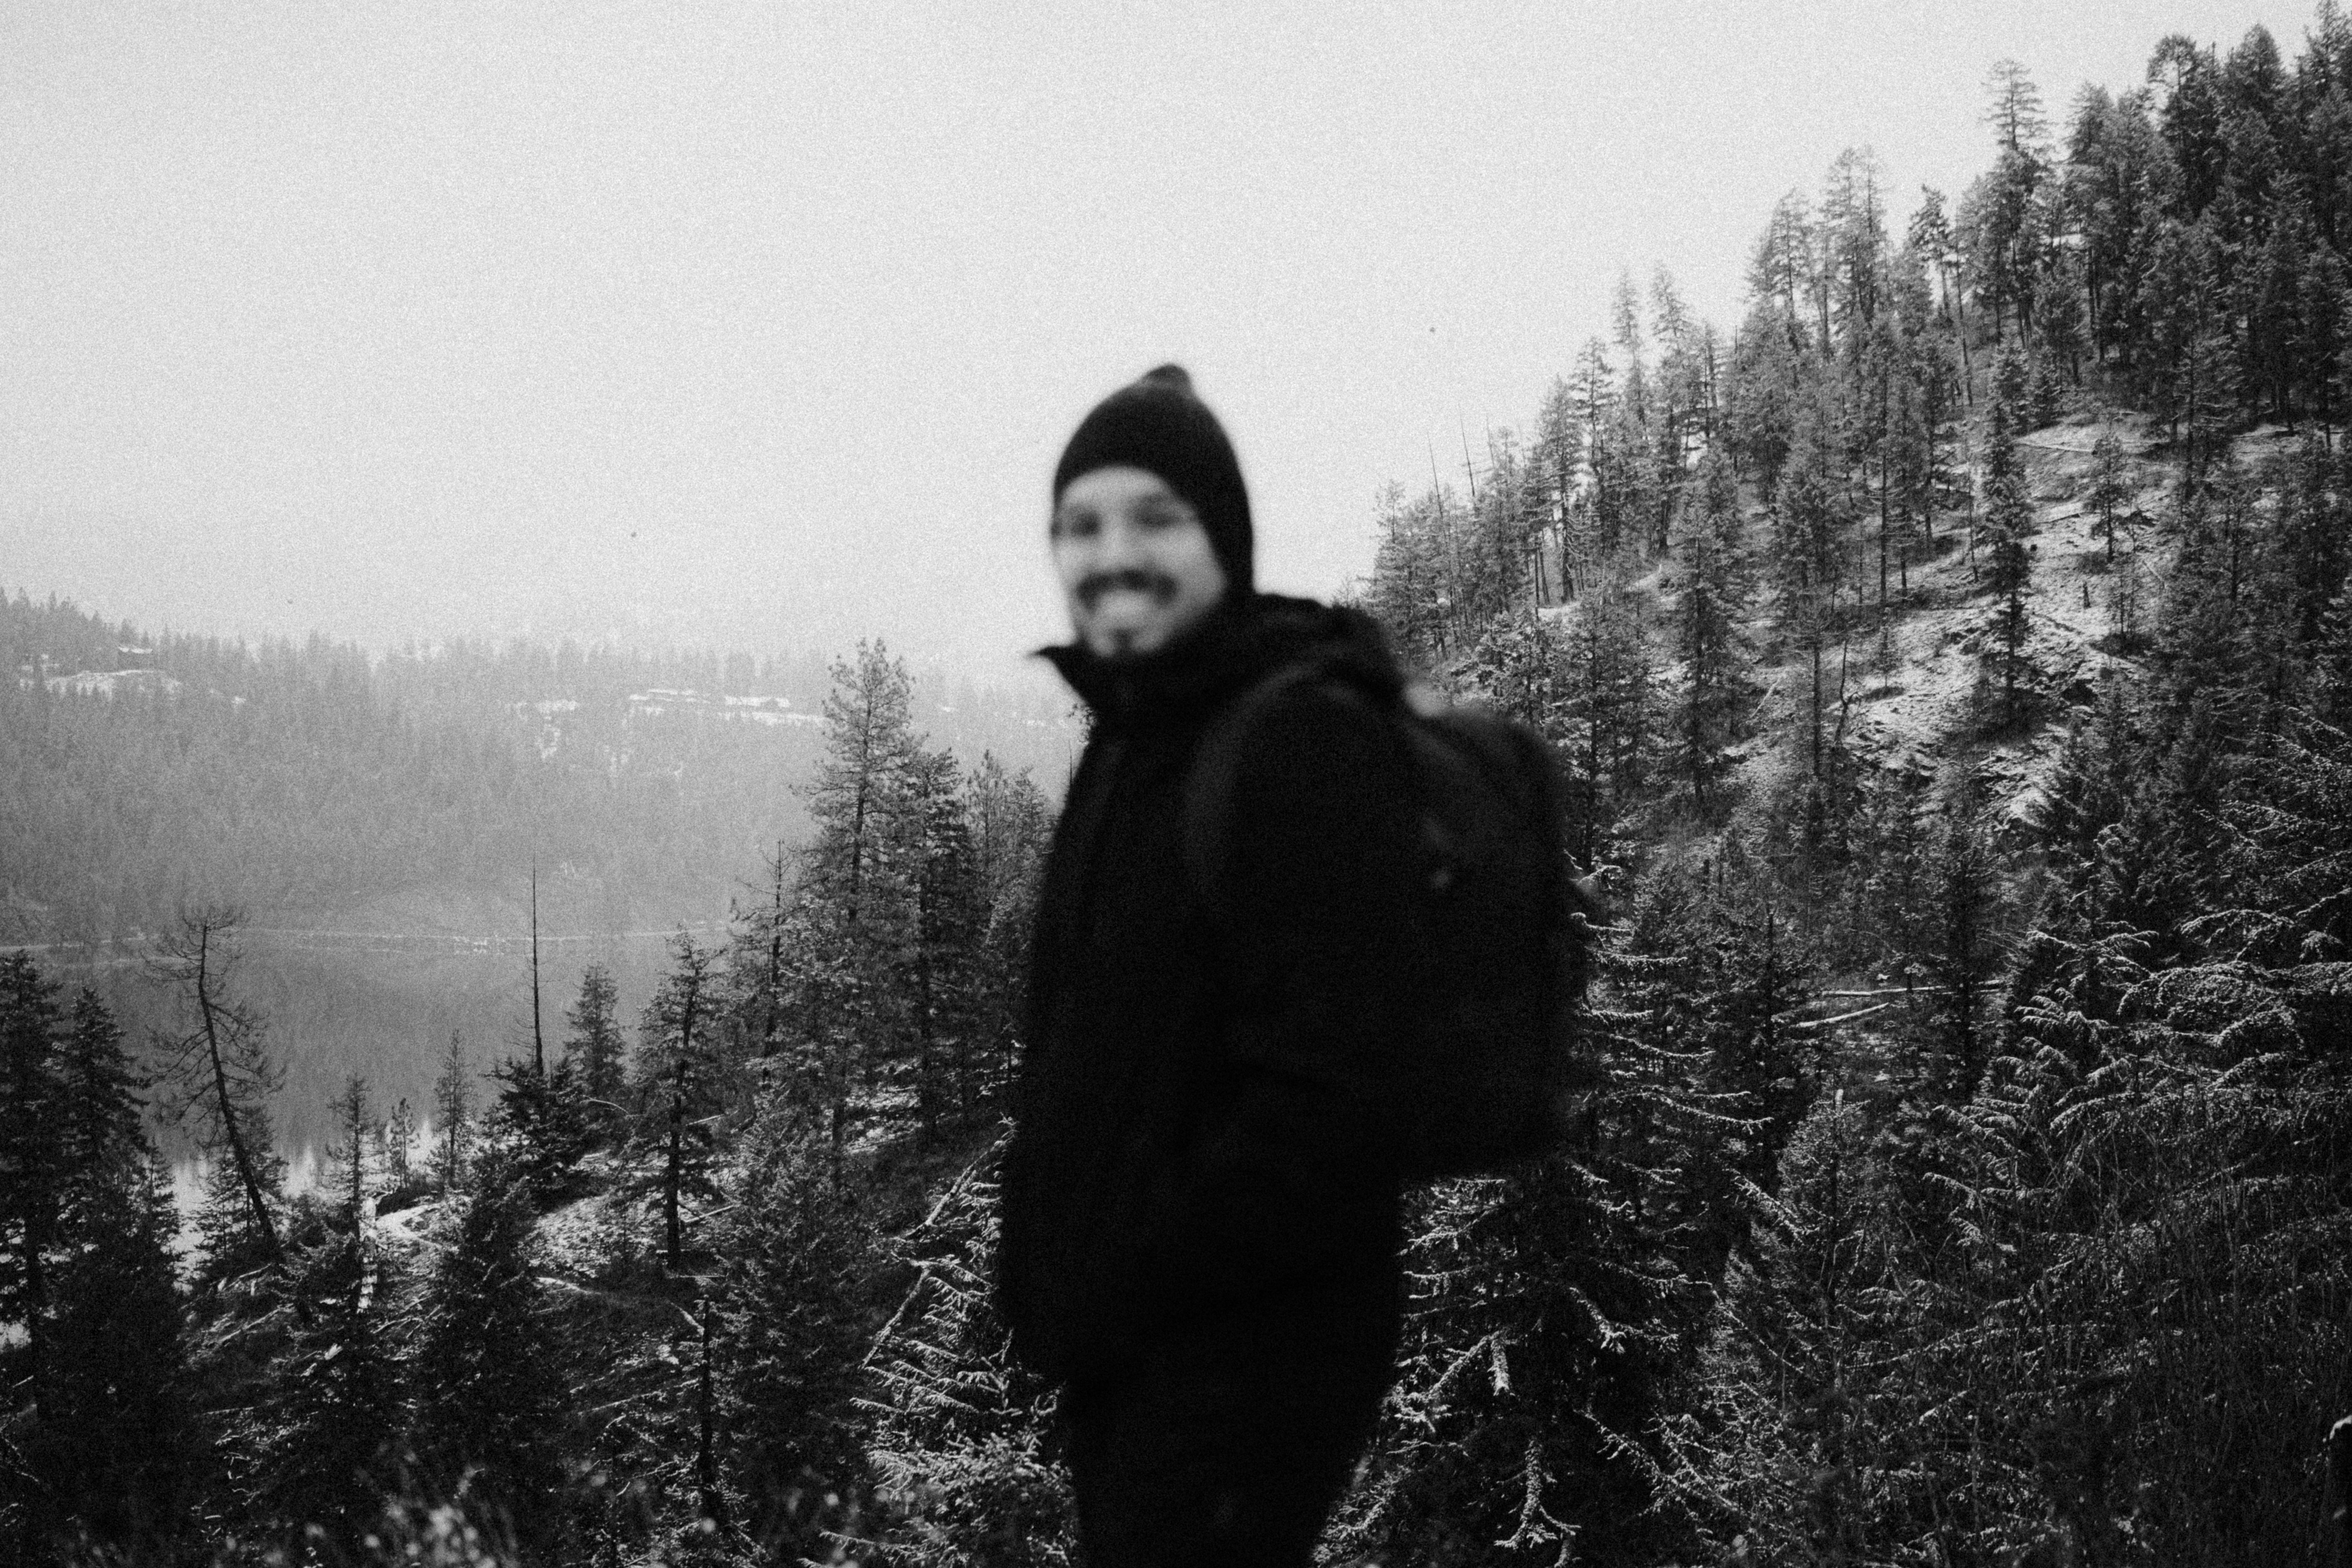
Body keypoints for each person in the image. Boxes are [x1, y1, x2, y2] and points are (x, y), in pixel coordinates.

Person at [997, 364, 1421, 1563]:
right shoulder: (1137, 740)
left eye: (1153, 518)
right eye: (1080, 525)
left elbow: (1334, 1099)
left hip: (1243, 1363)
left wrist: (1129, 1279)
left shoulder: (1296, 737)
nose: (1110, 553)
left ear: (1222, 542)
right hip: (1140, 1363)